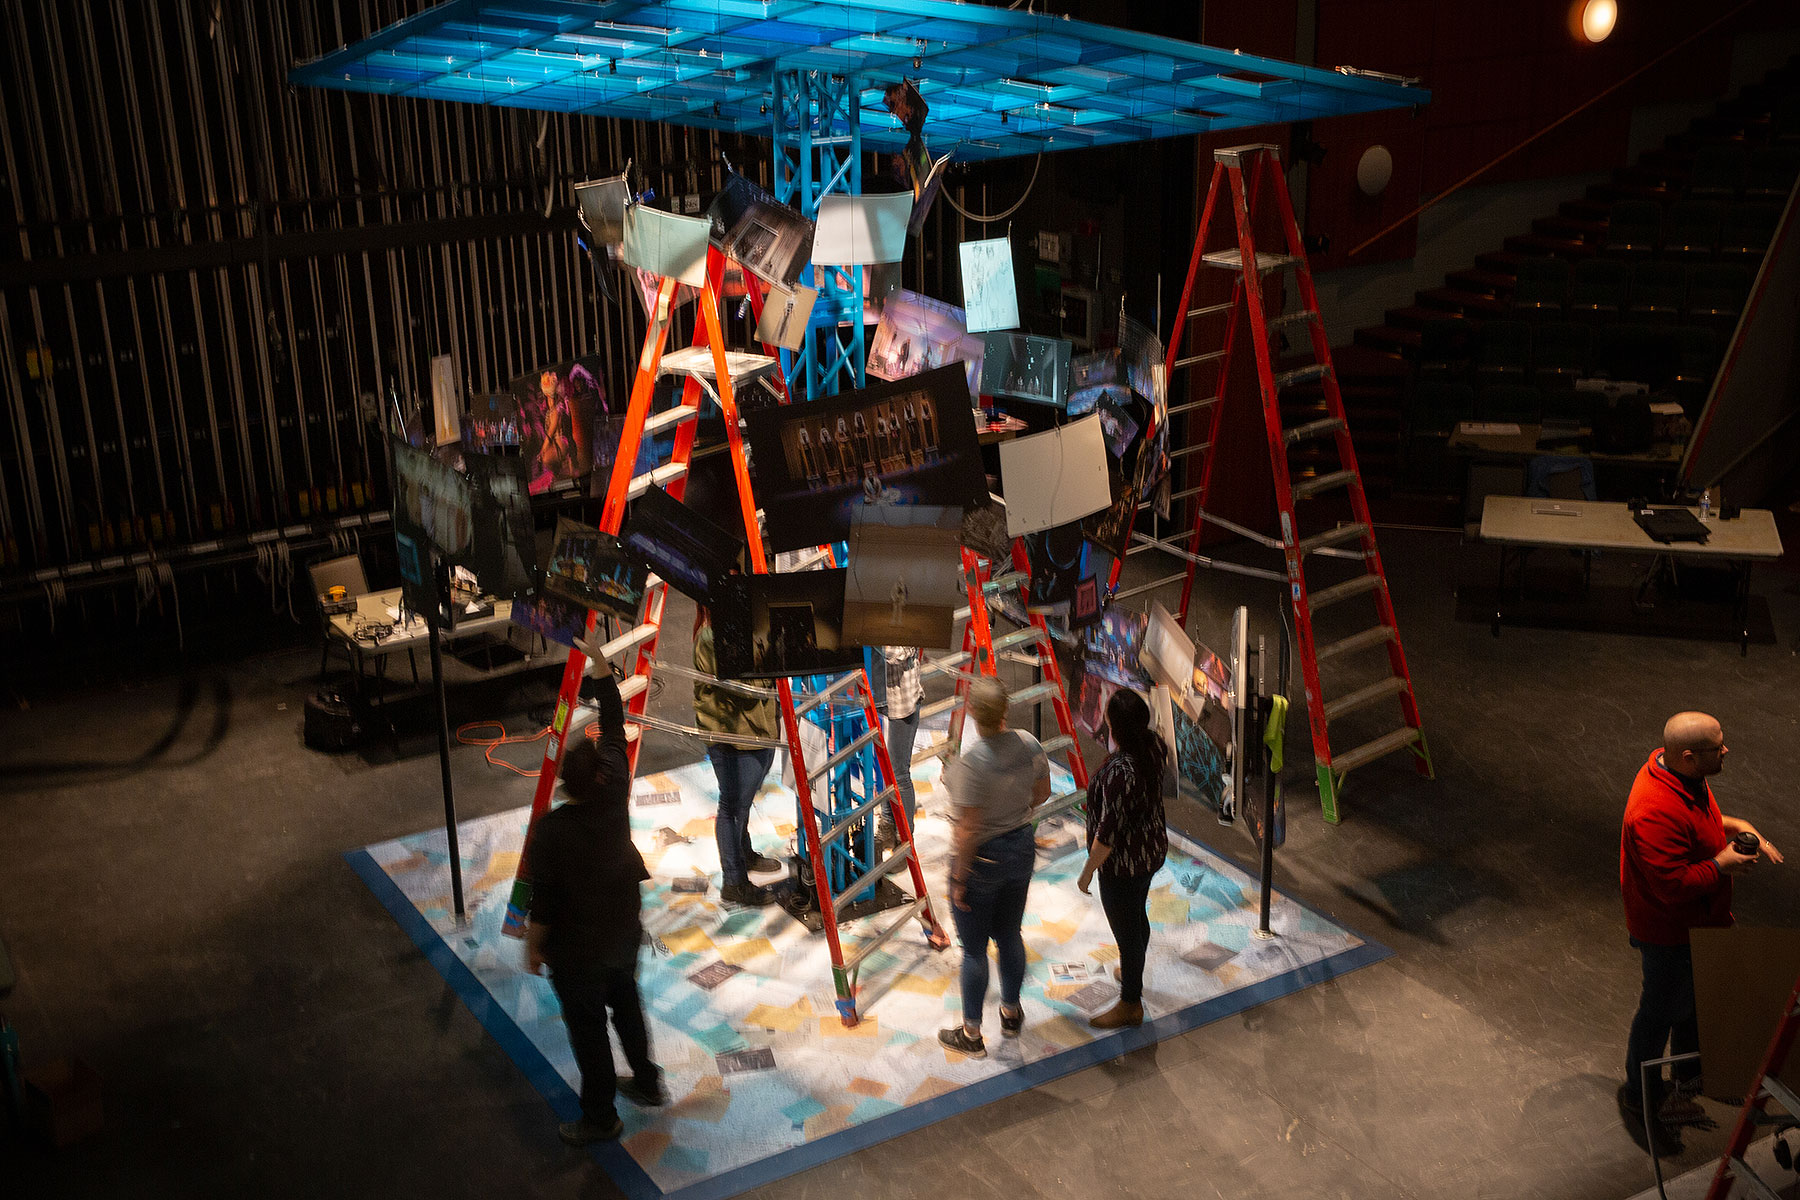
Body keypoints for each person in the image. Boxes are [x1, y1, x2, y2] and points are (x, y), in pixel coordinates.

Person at [1619, 711, 1782, 1142]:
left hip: (1701, 920)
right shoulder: (1653, 811)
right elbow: (1672, 885)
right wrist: (1721, 864)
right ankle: (1642, 1095)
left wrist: (1733, 824)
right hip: (1669, 931)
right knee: (1661, 1011)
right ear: (1689, 756)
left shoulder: (1682, 774)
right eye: (1717, 747)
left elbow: (1695, 824)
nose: (1726, 750)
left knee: (1696, 1003)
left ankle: (1689, 1077)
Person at [525, 642, 664, 1146]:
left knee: (589, 1033)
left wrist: (532, 948)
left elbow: (544, 903)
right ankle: (647, 1082)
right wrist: (601, 668)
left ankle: (601, 1117)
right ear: (600, 775)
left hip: (579, 952)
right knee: (626, 1005)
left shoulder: (552, 832)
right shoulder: (616, 787)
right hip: (622, 932)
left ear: (566, 784)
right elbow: (613, 722)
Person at [937, 676, 1051, 1058]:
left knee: (974, 951)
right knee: (1010, 934)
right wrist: (1014, 810)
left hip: (982, 862)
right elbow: (1042, 793)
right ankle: (1011, 1013)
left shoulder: (969, 766)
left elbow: (967, 831)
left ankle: (971, 1035)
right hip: (1021, 849)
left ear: (972, 711)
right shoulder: (1029, 744)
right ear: (1006, 708)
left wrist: (958, 879)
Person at [1077, 688, 1170, 1030]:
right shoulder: (1154, 746)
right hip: (1150, 851)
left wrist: (1088, 871)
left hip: (1123, 865)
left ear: (1114, 726)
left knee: (1127, 930)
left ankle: (1131, 1003)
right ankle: (1133, 968)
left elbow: (1107, 834)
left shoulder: (1120, 773)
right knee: (1136, 915)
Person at [695, 608, 782, 906]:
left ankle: (743, 854)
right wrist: (772, 668)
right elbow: (748, 687)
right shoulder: (711, 637)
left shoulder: (747, 629)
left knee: (741, 803)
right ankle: (733, 881)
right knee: (732, 807)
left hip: (758, 731)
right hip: (732, 738)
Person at [872, 646, 924, 847]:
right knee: (888, 770)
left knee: (899, 774)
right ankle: (887, 824)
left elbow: (898, 653)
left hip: (903, 702)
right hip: (881, 697)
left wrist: (869, 640)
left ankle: (905, 840)